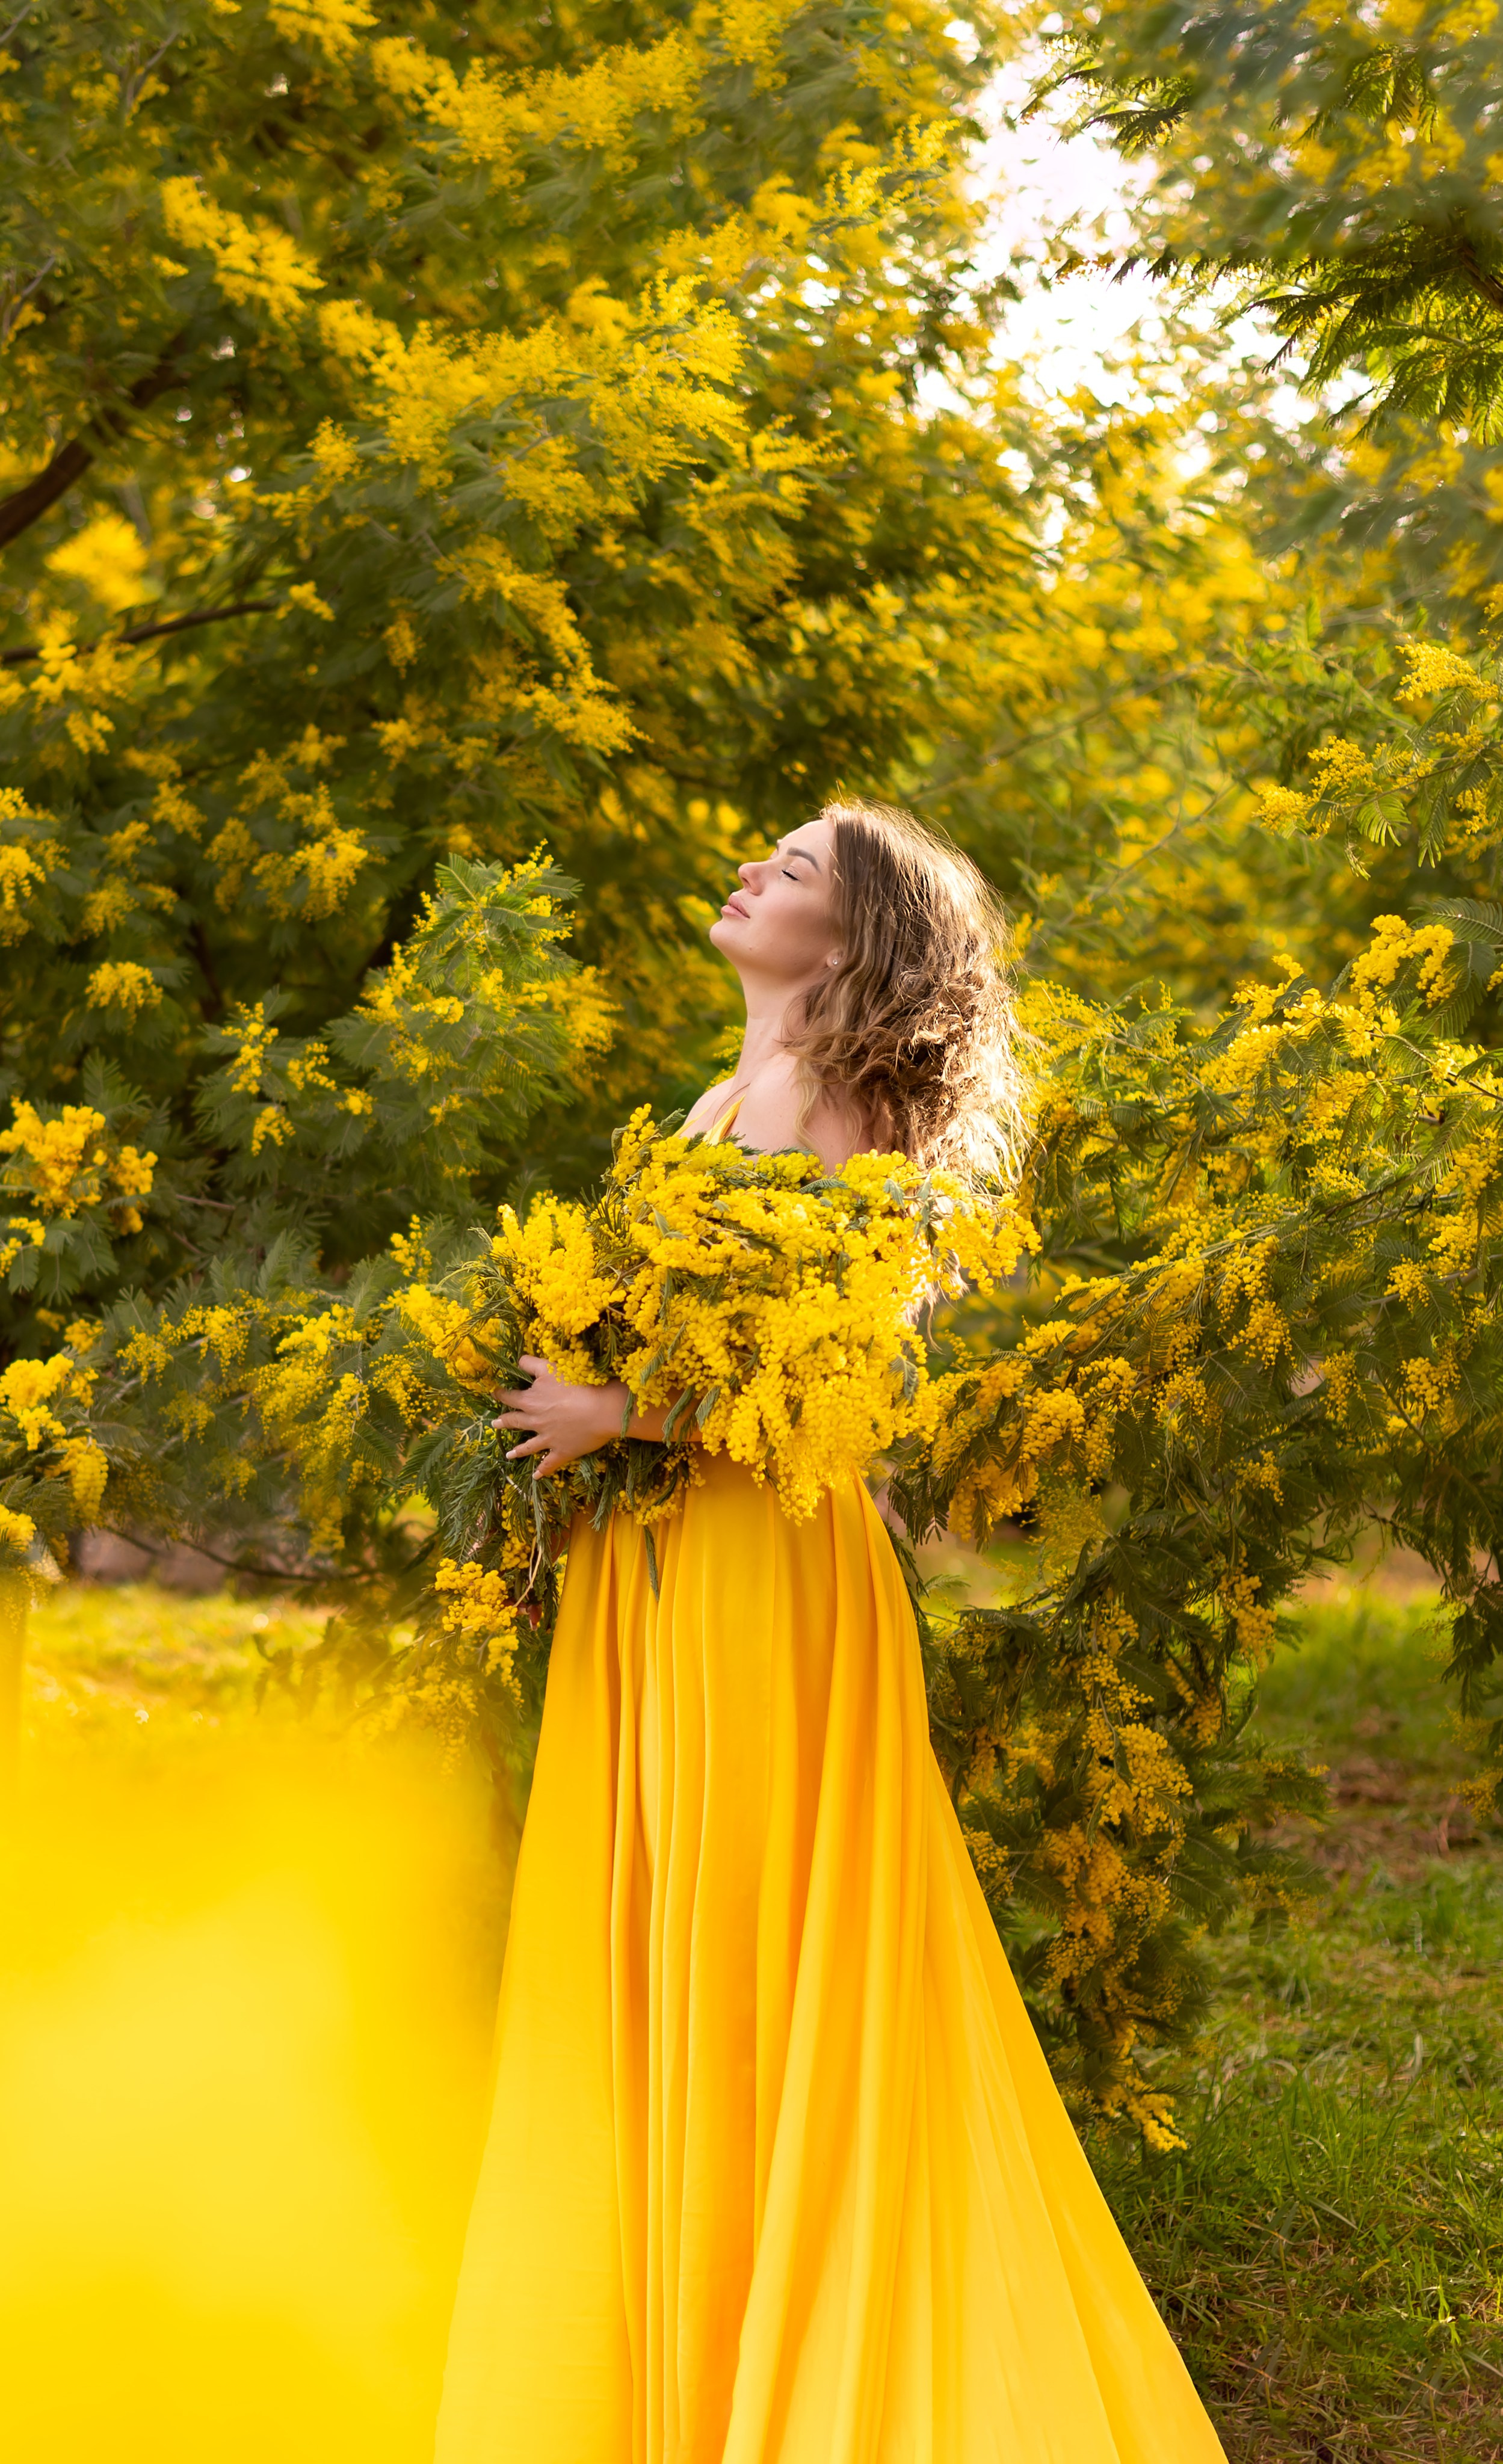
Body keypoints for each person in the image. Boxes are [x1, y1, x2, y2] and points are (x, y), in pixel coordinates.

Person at [434, 798, 1227, 2463]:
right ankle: (683, 2380)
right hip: (665, 1572)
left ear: (858, 940)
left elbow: (844, 1378)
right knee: (672, 1945)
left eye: (790, 869)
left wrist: (620, 1412)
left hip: (760, 1571)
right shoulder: (724, 1098)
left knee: (749, 1952)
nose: (745, 870)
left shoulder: (835, 1101)